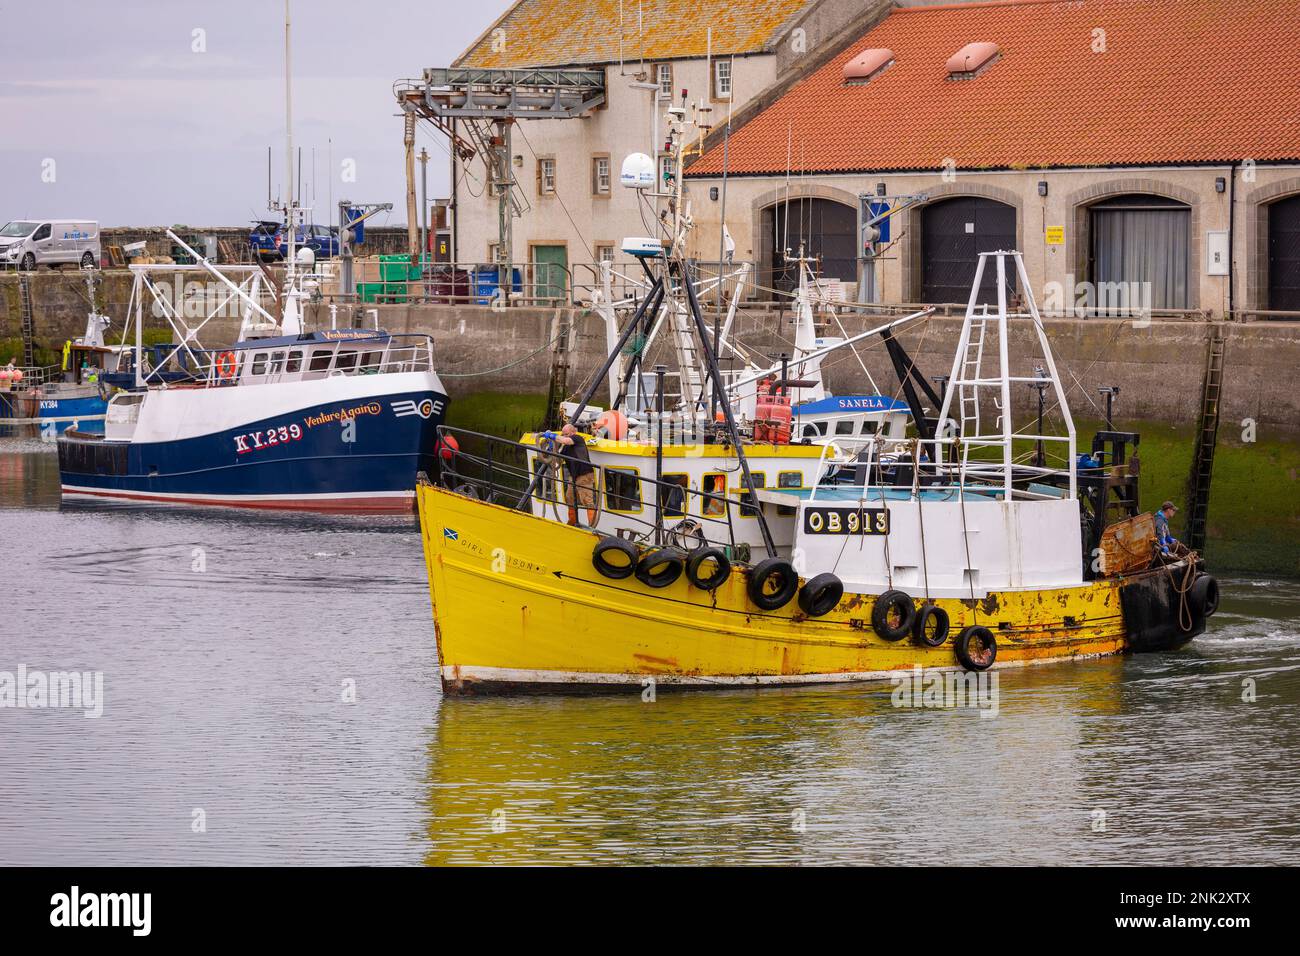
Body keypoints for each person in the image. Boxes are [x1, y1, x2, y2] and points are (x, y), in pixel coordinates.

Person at [545, 422, 597, 527]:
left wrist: (552, 436)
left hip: (584, 474)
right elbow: (558, 459)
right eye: (563, 434)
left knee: (587, 500)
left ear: (574, 432)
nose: (564, 436)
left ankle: (592, 526)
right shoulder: (566, 448)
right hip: (574, 476)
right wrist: (551, 449)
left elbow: (566, 441)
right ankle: (572, 521)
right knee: (569, 497)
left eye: (566, 434)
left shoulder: (578, 439)